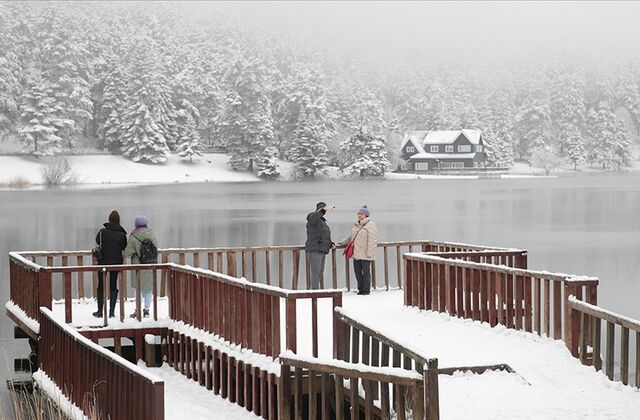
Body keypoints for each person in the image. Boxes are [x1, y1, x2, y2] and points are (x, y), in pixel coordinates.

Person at [93, 210, 127, 318]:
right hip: (116, 262)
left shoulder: (102, 232)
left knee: (101, 285)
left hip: (103, 261)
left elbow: (98, 241)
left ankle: (99, 311)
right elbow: (123, 247)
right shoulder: (122, 234)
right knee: (113, 285)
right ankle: (111, 312)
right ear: (118, 221)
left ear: (109, 220)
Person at [123, 215, 159, 318]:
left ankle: (137, 310)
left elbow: (127, 253)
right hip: (150, 264)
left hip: (138, 265)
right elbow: (156, 247)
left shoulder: (134, 236)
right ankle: (147, 310)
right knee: (148, 289)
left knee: (137, 289)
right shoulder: (151, 234)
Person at [339, 205, 378, 295]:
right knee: (357, 272)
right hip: (356, 253)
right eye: (359, 214)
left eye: (362, 214)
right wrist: (341, 243)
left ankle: (366, 290)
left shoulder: (371, 225)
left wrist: (370, 253)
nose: (360, 215)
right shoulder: (357, 225)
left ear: (366, 215)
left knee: (366, 272)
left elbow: (372, 240)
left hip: (365, 253)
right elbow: (350, 237)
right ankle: (360, 289)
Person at [305, 201, 335, 289]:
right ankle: (314, 292)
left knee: (320, 272)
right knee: (315, 272)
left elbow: (324, 235)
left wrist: (330, 243)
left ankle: (316, 290)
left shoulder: (322, 222)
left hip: (322, 249)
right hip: (315, 249)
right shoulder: (312, 218)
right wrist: (322, 210)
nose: (325, 212)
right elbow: (313, 218)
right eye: (323, 210)